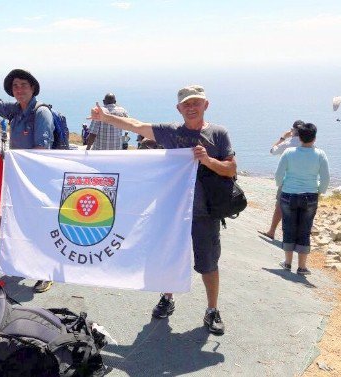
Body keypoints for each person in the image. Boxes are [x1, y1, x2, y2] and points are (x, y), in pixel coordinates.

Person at [89, 85, 236, 335]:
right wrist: (105, 117)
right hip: (172, 210)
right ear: (178, 108)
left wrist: (208, 161)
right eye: (186, 104)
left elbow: (231, 169)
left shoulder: (218, 134)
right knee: (168, 257)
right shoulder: (170, 132)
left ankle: (212, 310)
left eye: (195, 103)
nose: (191, 108)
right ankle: (167, 298)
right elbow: (135, 125)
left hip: (205, 212)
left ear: (205, 105)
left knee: (209, 263)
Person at [0, 68, 55, 294]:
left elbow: (42, 150)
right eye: (15, 86)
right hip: (20, 179)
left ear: (33, 88)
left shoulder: (41, 112)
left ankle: (46, 272)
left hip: (39, 180)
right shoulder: (14, 110)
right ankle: (27, 264)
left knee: (39, 225)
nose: (19, 89)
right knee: (24, 224)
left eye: (24, 85)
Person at [275, 122, 329, 275]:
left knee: (288, 227)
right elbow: (325, 178)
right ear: (314, 138)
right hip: (310, 195)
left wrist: (282, 184)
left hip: (288, 193)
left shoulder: (289, 152)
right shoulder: (320, 154)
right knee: (305, 229)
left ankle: (287, 263)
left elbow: (278, 175)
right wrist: (320, 191)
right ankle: (302, 267)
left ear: (299, 137)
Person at [259, 120, 304, 240]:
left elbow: (272, 150)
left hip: (287, 180)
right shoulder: (307, 145)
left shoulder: (288, 144)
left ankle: (272, 232)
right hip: (304, 182)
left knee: (280, 206)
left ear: (293, 131)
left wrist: (283, 137)